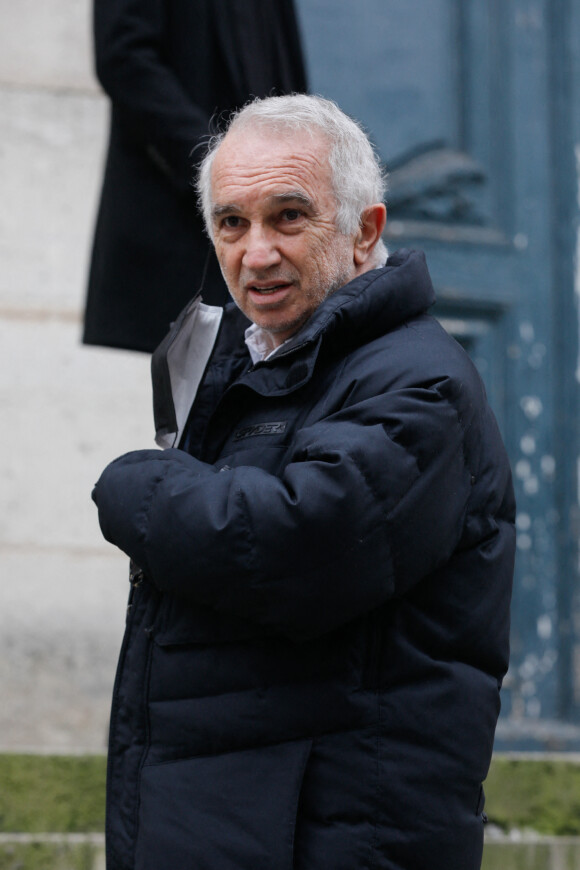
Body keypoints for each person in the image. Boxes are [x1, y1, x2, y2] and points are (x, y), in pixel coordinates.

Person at [92, 94, 515, 870]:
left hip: (327, 838)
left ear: (364, 232)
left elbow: (293, 547)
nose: (256, 253)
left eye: (289, 217)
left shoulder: (419, 382)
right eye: (231, 223)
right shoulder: (251, 365)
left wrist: (132, 485)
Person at [83, 0, 307, 353]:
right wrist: (215, 165)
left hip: (268, 206)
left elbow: (280, 65)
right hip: (186, 216)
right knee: (200, 383)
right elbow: (123, 58)